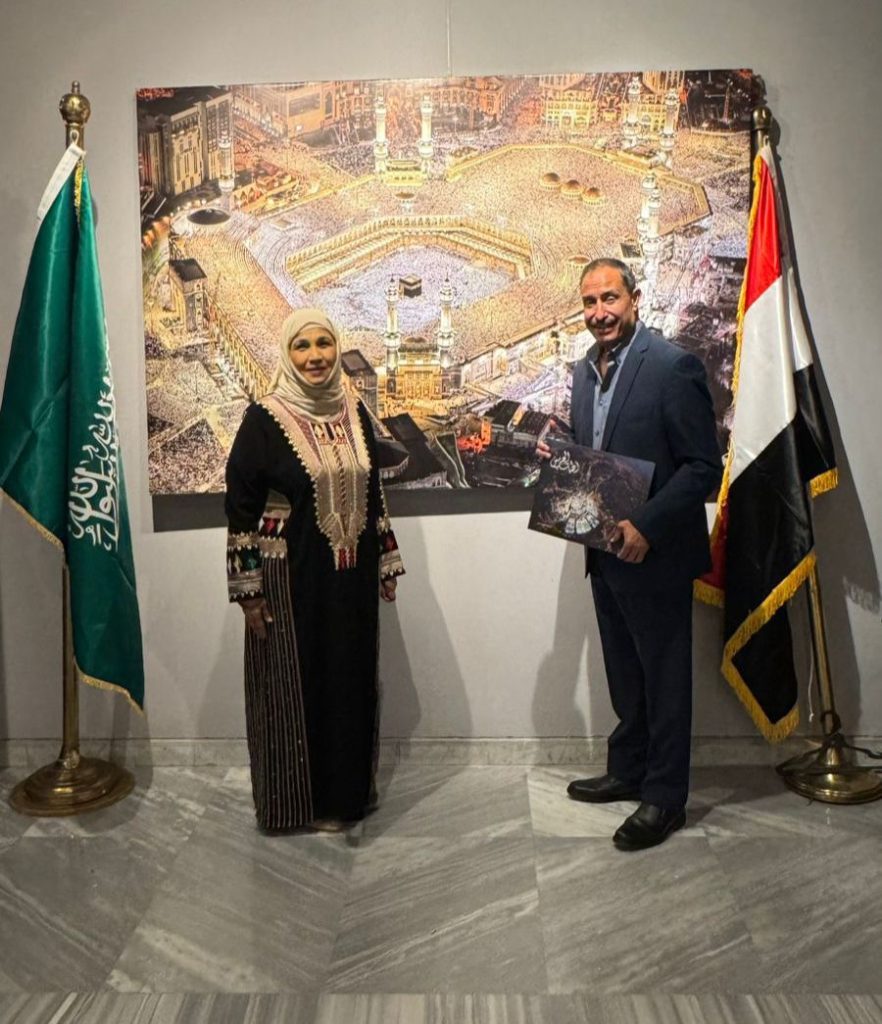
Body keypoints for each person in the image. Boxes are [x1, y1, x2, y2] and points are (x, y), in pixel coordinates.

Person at [538, 258, 721, 851]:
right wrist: (564, 467)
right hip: (605, 551)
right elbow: (596, 452)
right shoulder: (583, 371)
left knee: (665, 678)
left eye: (610, 298)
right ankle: (630, 769)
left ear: (635, 299)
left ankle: (665, 798)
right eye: (589, 302)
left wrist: (645, 524)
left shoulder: (672, 367)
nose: (600, 313)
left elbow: (703, 468)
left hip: (656, 554)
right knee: (624, 671)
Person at [225, 308, 404, 833]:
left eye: (324, 344)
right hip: (290, 577)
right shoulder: (264, 419)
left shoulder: (354, 411)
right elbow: (240, 508)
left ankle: (346, 799)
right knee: (295, 685)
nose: (315, 357)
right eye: (302, 346)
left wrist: (386, 562)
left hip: (352, 577)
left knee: (350, 681)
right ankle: (295, 804)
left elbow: (374, 493)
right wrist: (249, 590)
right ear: (287, 354)